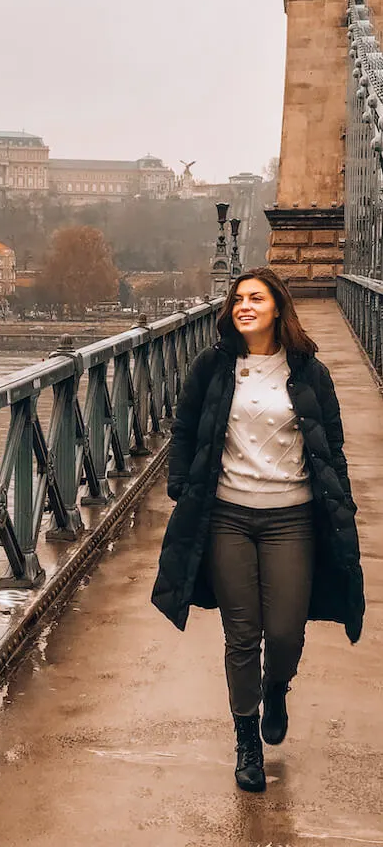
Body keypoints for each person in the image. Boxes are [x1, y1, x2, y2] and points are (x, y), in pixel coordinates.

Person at [151, 267, 364, 793]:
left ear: (277, 307)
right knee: (242, 635)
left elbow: (331, 442)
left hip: (291, 517)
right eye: (238, 298)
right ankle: (246, 739)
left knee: (287, 632)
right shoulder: (213, 366)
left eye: (256, 297)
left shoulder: (309, 370)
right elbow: (184, 427)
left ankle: (277, 687)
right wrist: (182, 485)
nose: (245, 305)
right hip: (227, 515)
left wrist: (340, 500)